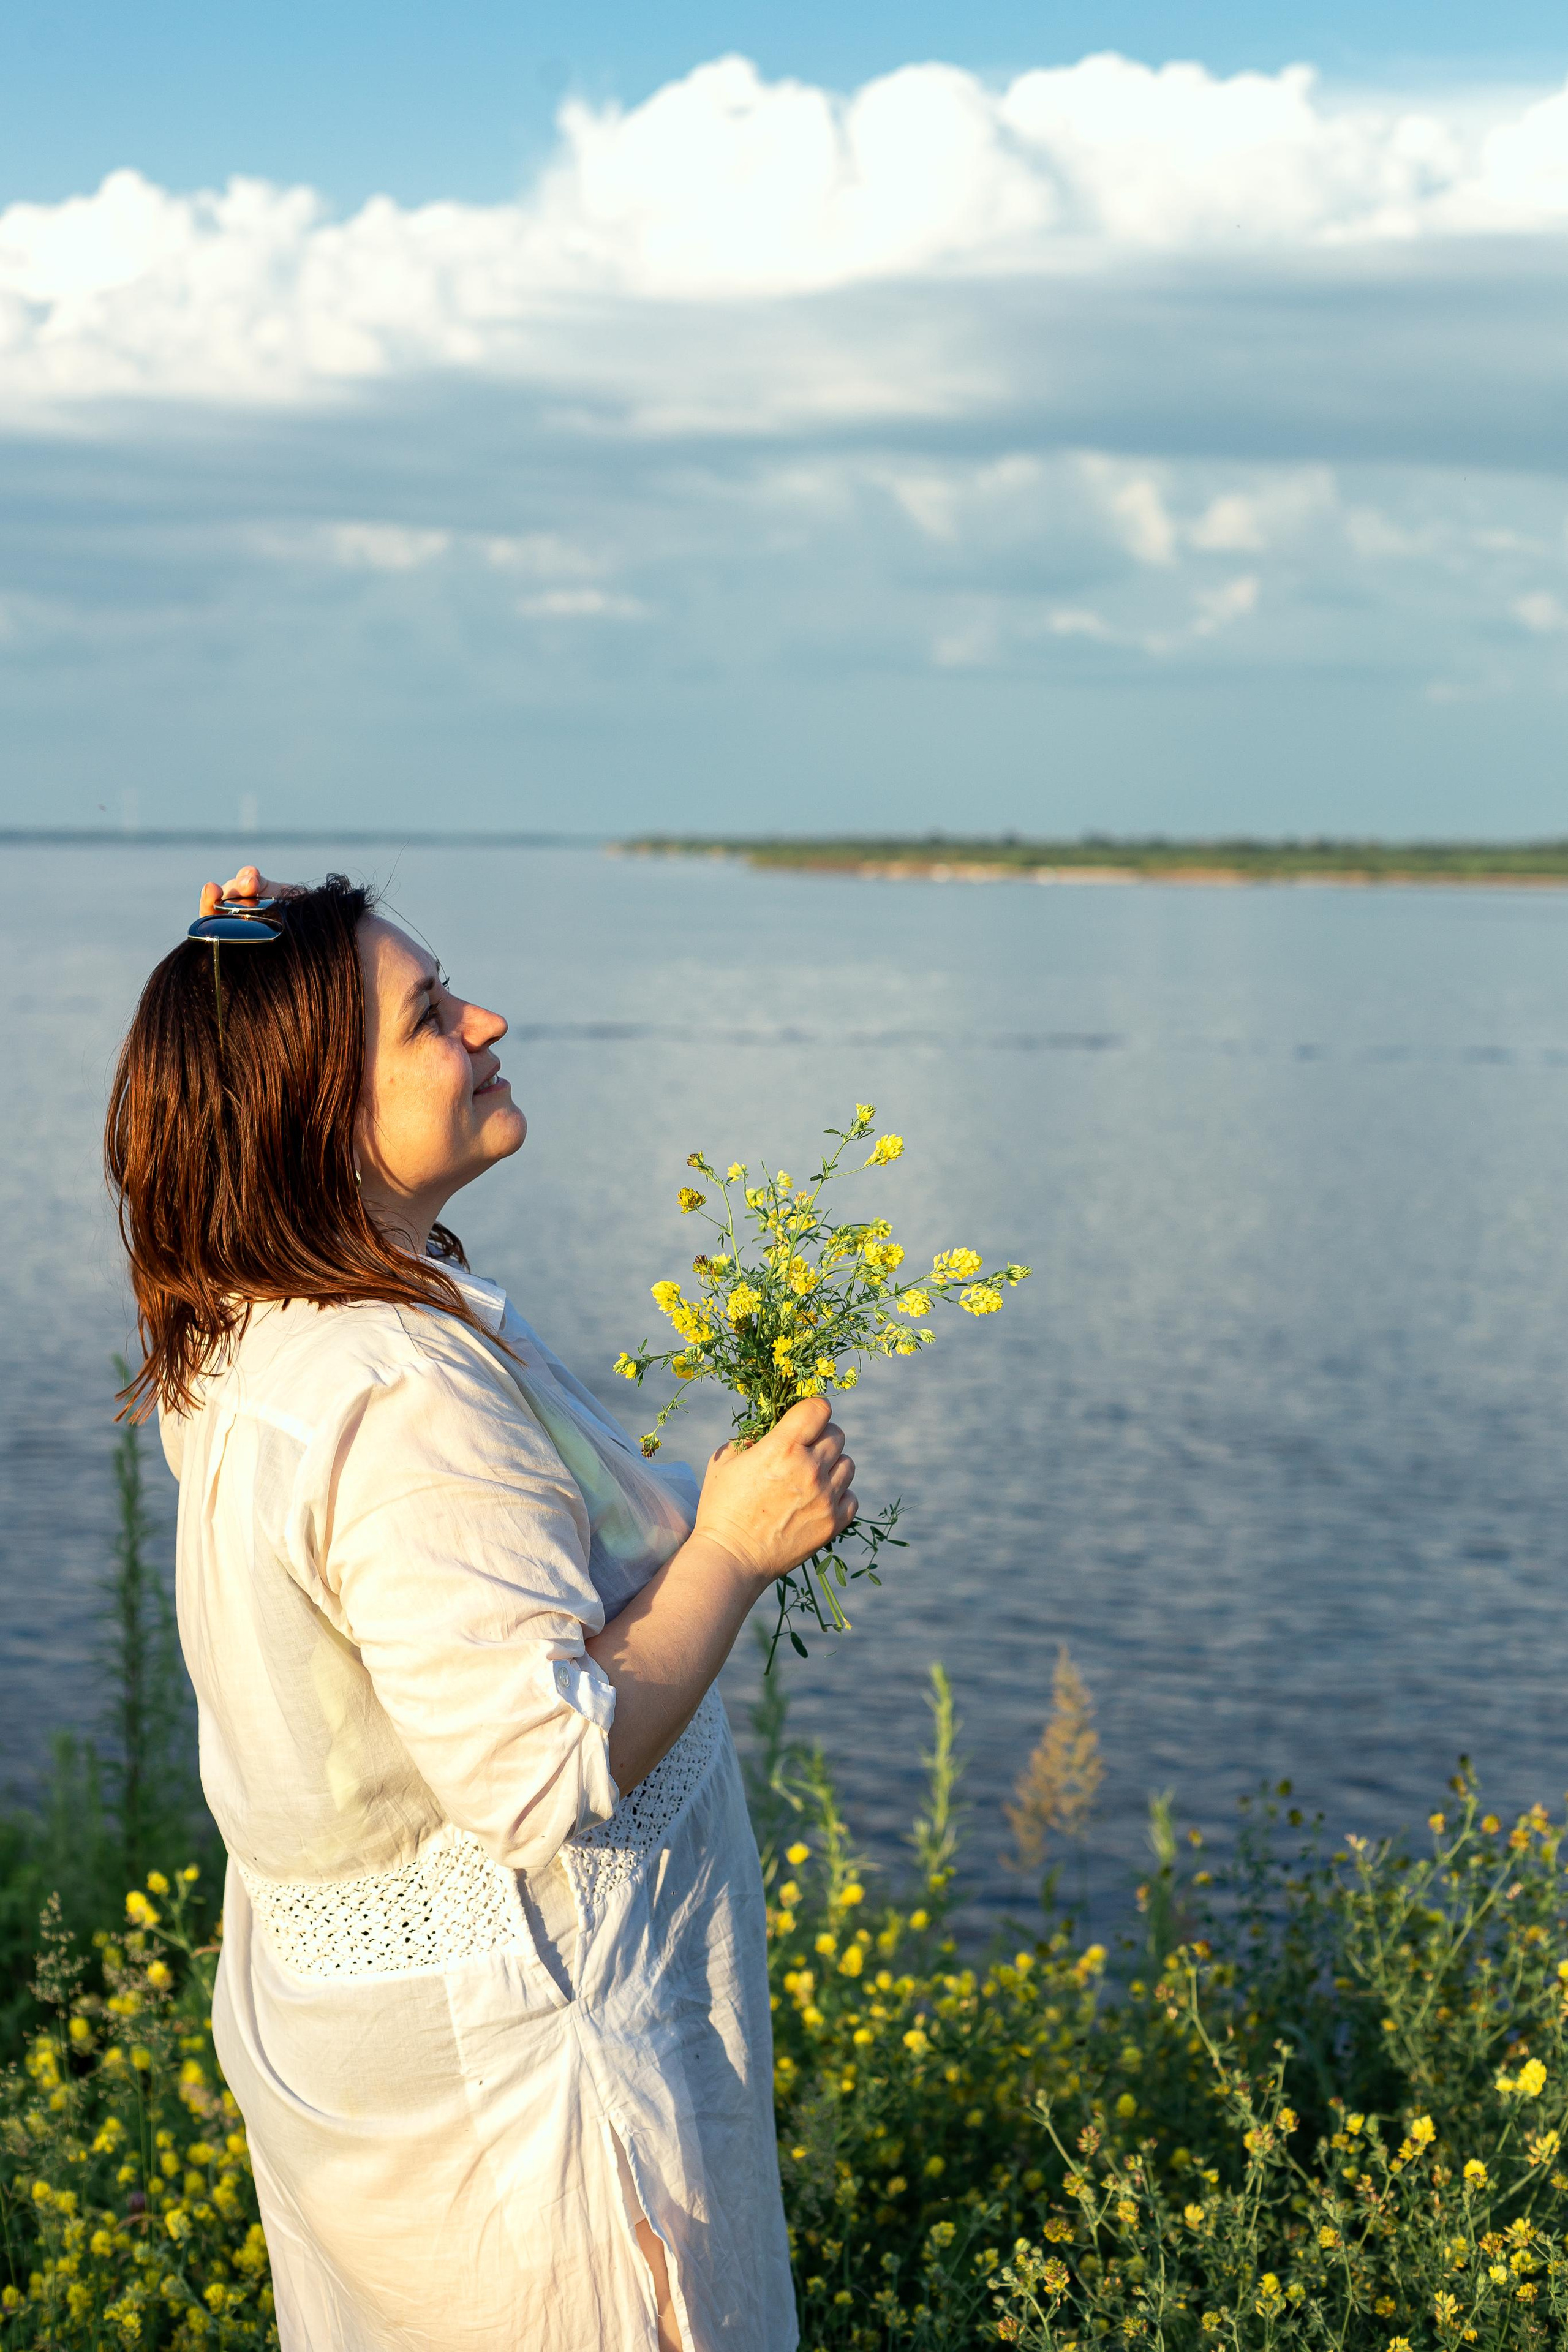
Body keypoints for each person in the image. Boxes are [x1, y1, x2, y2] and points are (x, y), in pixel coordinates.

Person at [105, 865, 856, 2352]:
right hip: (532, 2097)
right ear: (320, 1116)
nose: (489, 1020)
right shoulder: (397, 1395)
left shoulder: (248, 1325)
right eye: (430, 1017)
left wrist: (230, 976)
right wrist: (735, 1546)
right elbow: (541, 1772)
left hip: (388, 2077)